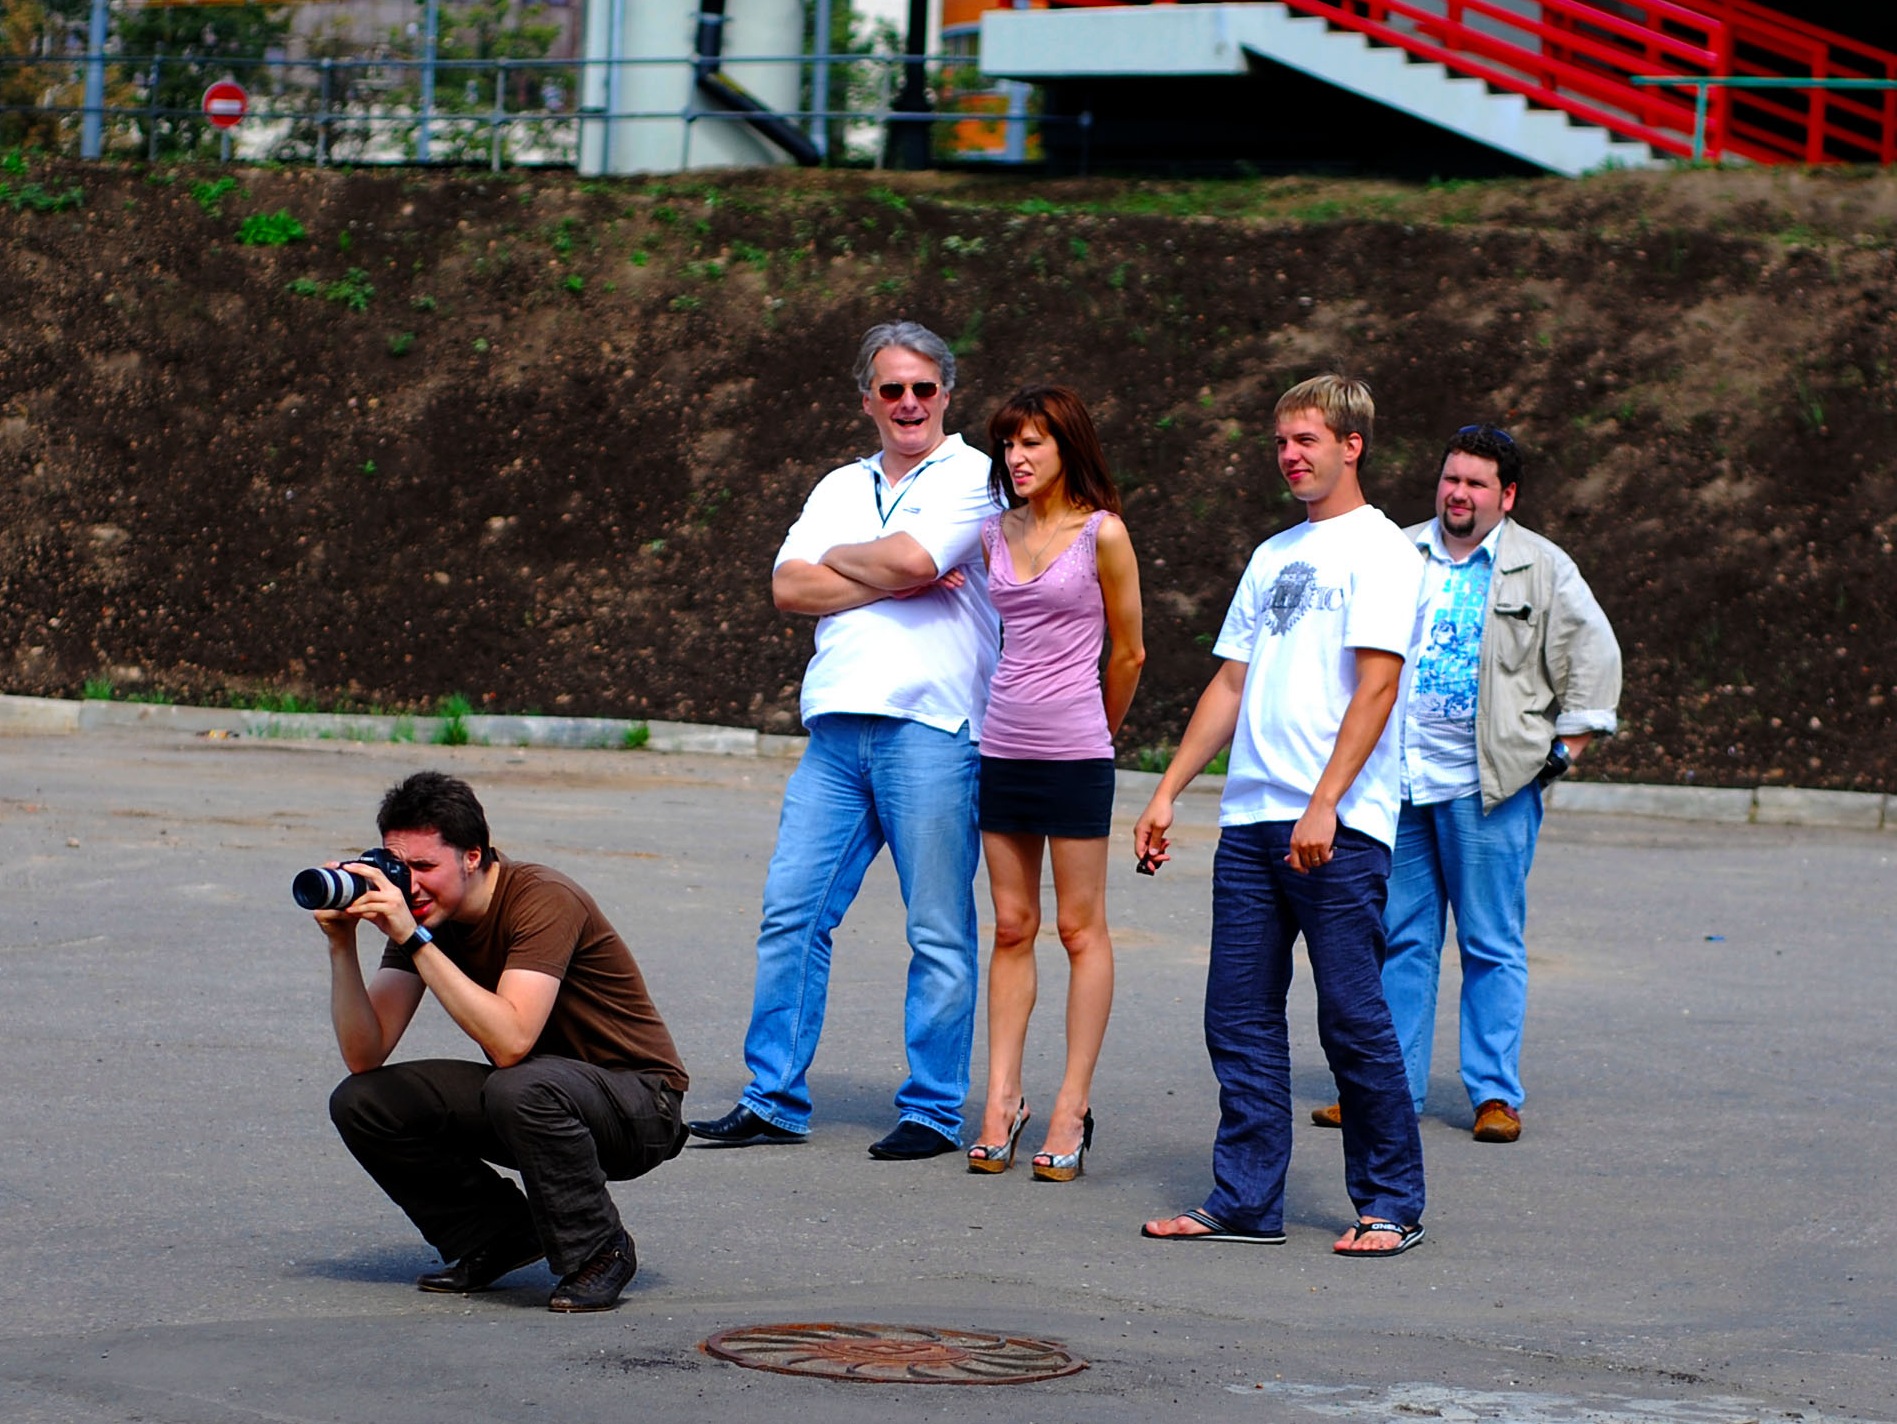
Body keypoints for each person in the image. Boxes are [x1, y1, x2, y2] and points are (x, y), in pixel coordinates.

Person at [686, 321, 1003, 1160]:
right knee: (790, 913)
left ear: (947, 393)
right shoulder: (838, 484)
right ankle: (773, 1098)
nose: (908, 403)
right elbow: (789, 587)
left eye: (923, 388)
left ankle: (933, 1109)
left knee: (936, 928)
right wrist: (901, 568)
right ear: (866, 398)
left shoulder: (975, 473)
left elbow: (909, 560)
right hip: (834, 732)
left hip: (932, 728)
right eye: (891, 389)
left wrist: (876, 566)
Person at [1134, 375, 1429, 1257]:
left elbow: (1377, 685)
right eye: (1280, 442)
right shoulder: (1271, 555)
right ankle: (1246, 1199)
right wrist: (1167, 788)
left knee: (1350, 1016)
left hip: (1334, 826)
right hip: (1253, 817)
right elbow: (1230, 682)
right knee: (1237, 1014)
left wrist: (1326, 803)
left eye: (1307, 439)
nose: (1291, 455)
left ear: (1352, 446)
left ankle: (1390, 1203)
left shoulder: (1381, 551)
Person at [1312, 424, 1620, 1143]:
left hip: (1492, 786)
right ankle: (1389, 1090)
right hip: (1402, 780)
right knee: (1401, 939)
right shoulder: (1399, 551)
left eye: (1476, 483)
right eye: (1451, 478)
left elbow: (1594, 658)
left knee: (1489, 941)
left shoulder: (1541, 568)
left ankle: (1493, 1094)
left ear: (1505, 496)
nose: (1458, 493)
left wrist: (1562, 752)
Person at [319, 772, 688, 1313]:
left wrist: (412, 937)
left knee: (519, 1084)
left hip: (640, 1104)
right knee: (364, 1102)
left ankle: (599, 1250)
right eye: (403, 869)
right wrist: (340, 944)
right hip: (537, 1095)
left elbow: (512, 1040)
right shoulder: (427, 918)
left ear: (473, 856)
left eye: (426, 868)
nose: (411, 886)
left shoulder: (542, 899)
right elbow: (364, 1054)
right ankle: (496, 1235)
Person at [965, 385, 1144, 1182]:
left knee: (1078, 930)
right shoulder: (990, 533)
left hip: (1075, 752)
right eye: (1008, 445)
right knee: (1009, 925)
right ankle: (1001, 1100)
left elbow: (1129, 652)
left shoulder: (1102, 534)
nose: (1017, 458)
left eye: (1032, 442)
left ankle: (1071, 1104)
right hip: (1001, 746)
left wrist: (1095, 734)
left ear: (1067, 447)